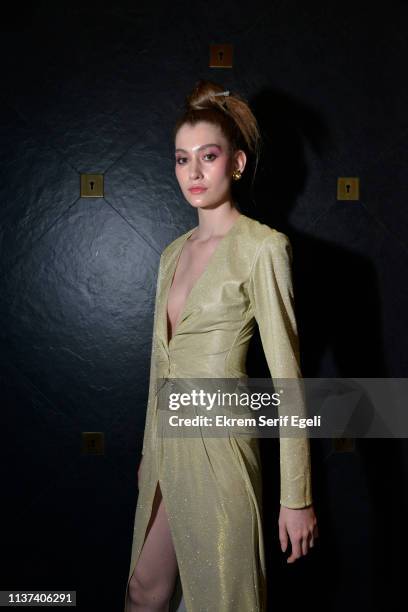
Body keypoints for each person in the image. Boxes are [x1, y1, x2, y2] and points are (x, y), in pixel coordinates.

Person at [124, 80, 319, 612]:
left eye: (207, 156)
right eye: (182, 159)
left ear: (235, 163)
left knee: (223, 600)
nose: (193, 171)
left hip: (222, 449)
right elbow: (158, 366)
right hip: (167, 449)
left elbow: (288, 380)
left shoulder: (262, 248)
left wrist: (295, 496)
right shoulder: (171, 254)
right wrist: (149, 449)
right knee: (144, 590)